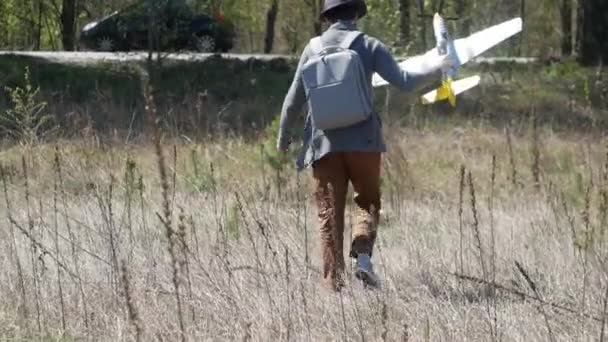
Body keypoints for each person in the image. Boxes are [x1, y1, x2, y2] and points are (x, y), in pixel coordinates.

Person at [277, 0, 455, 291]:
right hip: (365, 142)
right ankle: (362, 258)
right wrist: (439, 66)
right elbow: (405, 81)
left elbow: (293, 99)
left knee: (328, 214)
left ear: (327, 17)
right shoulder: (369, 45)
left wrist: (283, 138)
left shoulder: (312, 49)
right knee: (367, 201)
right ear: (355, 14)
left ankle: (333, 286)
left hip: (324, 145)